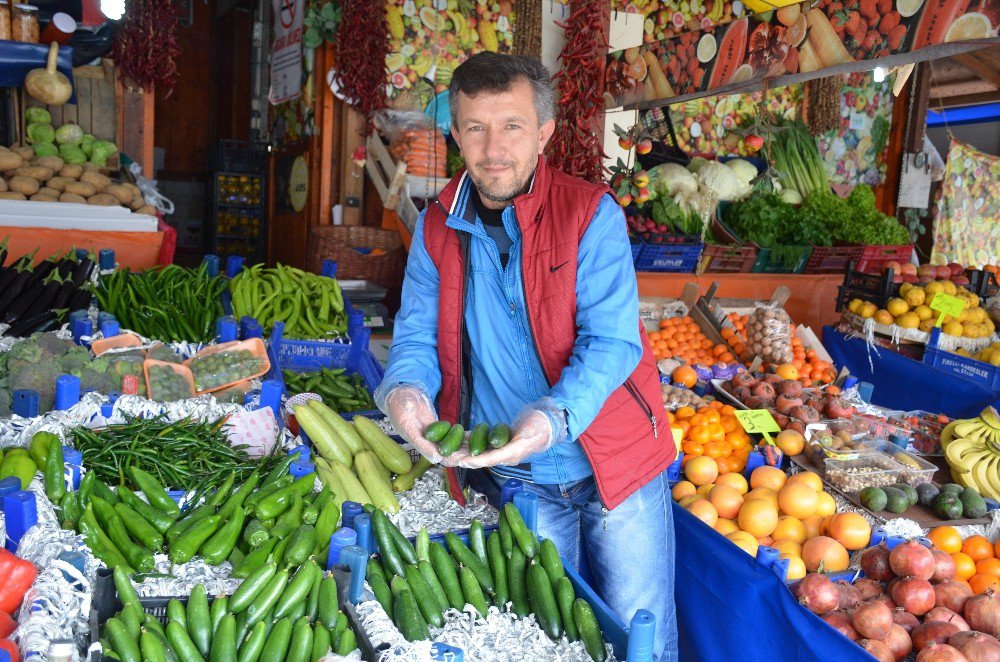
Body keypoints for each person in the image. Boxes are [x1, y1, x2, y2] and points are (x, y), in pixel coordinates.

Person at [375, 51, 678, 661]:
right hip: (517, 476)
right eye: (476, 128)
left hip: (613, 464)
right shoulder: (435, 227)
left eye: (511, 125)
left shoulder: (590, 214)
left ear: (543, 132)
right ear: (454, 135)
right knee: (547, 638)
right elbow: (414, 338)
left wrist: (550, 419)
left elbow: (612, 341)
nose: (494, 148)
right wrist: (405, 392)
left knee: (639, 633)